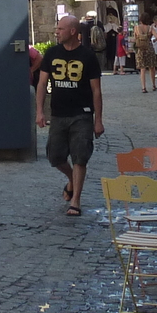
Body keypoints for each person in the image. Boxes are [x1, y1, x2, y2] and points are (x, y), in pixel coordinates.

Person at [35, 13, 104, 216]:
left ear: (72, 31)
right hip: (58, 114)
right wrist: (39, 111)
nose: (56, 32)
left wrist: (98, 120)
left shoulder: (88, 57)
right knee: (55, 156)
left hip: (82, 114)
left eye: (60, 29)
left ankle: (76, 201)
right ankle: (72, 179)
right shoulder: (52, 53)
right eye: (57, 29)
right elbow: (41, 83)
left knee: (80, 157)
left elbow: (96, 91)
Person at [132, 12, 157, 93]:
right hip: (149, 48)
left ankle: (144, 87)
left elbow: (135, 37)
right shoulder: (150, 28)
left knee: (142, 68)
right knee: (152, 67)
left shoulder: (136, 27)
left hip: (140, 49)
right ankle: (153, 85)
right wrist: (152, 39)